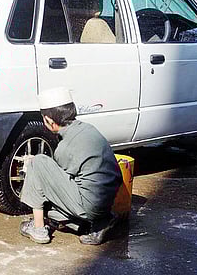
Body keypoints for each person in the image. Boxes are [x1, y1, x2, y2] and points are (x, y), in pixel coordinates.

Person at [19, 87, 123, 245]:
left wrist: (33, 169)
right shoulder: (89, 129)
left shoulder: (65, 147)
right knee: (53, 210)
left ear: (49, 121)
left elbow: (53, 185)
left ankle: (39, 229)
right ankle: (102, 222)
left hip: (89, 206)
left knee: (38, 163)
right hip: (106, 201)